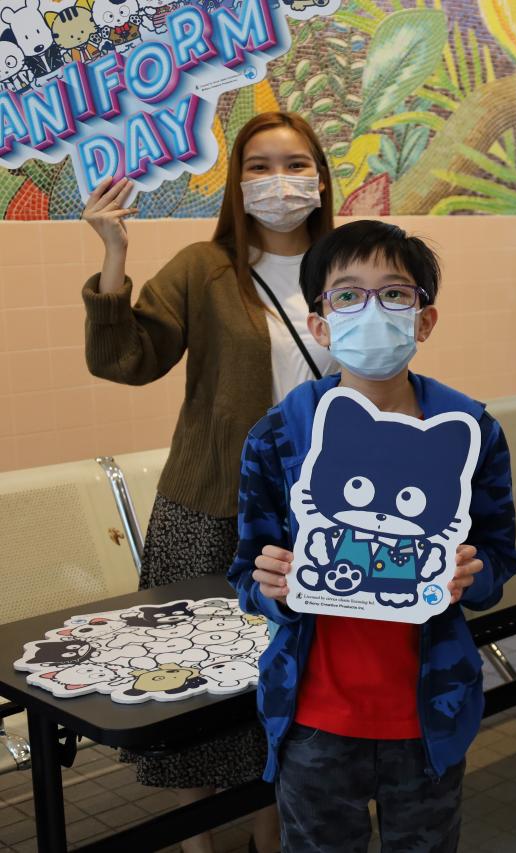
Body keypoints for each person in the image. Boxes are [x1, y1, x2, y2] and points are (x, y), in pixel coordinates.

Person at [80, 111, 336, 853]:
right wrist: (114, 254)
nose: (279, 181)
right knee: (192, 676)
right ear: (237, 182)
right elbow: (125, 359)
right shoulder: (205, 267)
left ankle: (272, 829)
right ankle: (198, 840)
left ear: (321, 178)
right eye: (259, 166)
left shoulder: (346, 267)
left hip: (320, 516)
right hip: (209, 508)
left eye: (295, 164)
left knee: (293, 680)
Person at [230, 220, 516, 852]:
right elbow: (247, 571)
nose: (372, 310)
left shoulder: (469, 430)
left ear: (424, 319)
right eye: (347, 294)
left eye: (394, 293)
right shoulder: (280, 435)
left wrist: (472, 576)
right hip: (314, 715)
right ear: (320, 324)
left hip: (429, 714)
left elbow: (500, 556)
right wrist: (272, 587)